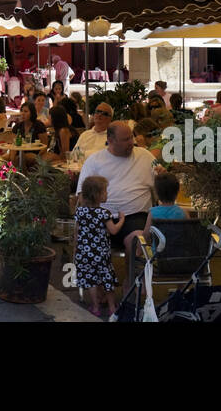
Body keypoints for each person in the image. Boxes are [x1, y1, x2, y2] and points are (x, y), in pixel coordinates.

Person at [75, 123, 155, 249]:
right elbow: (82, 196)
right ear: (110, 140)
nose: (131, 142)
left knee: (137, 241)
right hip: (100, 217)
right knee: (88, 242)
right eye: (125, 139)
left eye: (131, 137)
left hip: (135, 216)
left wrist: (163, 175)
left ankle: (133, 269)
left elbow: (162, 186)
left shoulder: (145, 156)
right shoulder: (94, 161)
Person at [74, 175, 125, 318]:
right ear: (97, 195)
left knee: (90, 280)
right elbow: (113, 230)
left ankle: (95, 307)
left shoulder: (80, 212)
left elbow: (76, 233)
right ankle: (112, 307)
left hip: (84, 253)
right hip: (101, 254)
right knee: (107, 279)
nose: (107, 194)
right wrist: (122, 219)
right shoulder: (104, 214)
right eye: (105, 192)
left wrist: (75, 250)